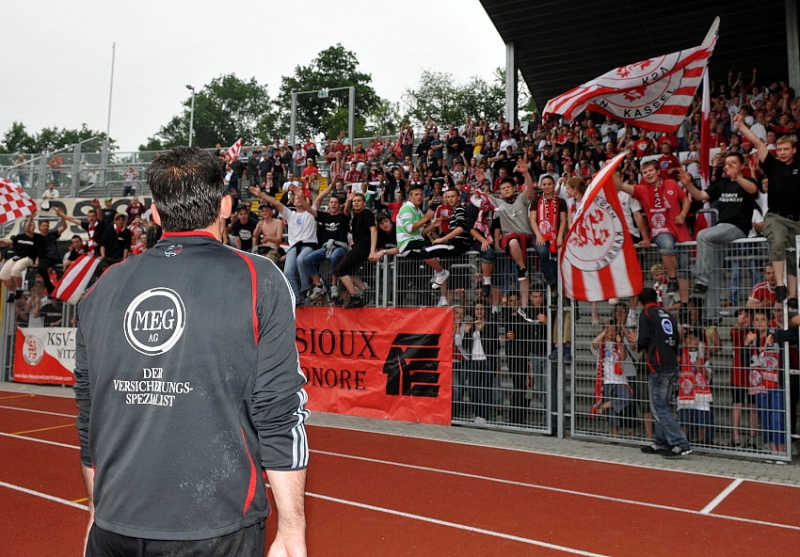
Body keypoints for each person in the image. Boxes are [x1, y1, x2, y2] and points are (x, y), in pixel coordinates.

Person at [74, 146, 309, 556]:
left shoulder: (103, 286)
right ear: (225, 205)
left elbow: (89, 412)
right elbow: (279, 410)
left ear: (156, 214)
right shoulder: (258, 278)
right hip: (216, 527)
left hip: (114, 525)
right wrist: (292, 529)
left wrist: (97, 511)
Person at [679, 154, 758, 323]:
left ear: (741, 165)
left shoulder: (748, 181)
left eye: (733, 163)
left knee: (702, 235)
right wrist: (688, 184)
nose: (729, 166)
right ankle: (712, 315)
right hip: (721, 231)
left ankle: (701, 279)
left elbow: (753, 190)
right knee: (714, 272)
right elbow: (701, 196)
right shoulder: (722, 184)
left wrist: (739, 178)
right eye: (727, 163)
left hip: (737, 228)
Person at [735, 112, 800, 305]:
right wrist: (741, 126)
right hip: (777, 217)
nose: (781, 152)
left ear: (794, 150)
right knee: (778, 242)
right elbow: (758, 143)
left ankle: (793, 296)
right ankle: (780, 285)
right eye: (779, 149)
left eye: (785, 149)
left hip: (798, 218)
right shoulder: (772, 165)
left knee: (793, 255)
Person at [637, 287, 692, 458]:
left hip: (658, 366)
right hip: (671, 363)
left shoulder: (646, 314)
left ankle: (680, 443)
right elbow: (676, 339)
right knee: (663, 405)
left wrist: (637, 343)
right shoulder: (668, 315)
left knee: (659, 406)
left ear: (641, 302)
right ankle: (661, 441)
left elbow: (644, 339)